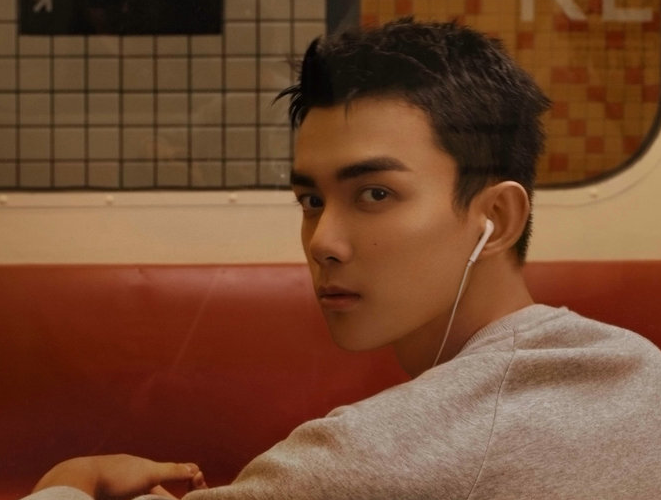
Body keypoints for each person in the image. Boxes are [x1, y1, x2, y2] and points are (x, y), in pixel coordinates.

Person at [26, 18, 661, 500]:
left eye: (375, 194)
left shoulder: (368, 460)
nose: (322, 241)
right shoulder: (640, 369)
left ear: (496, 218)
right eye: (310, 200)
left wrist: (72, 480)